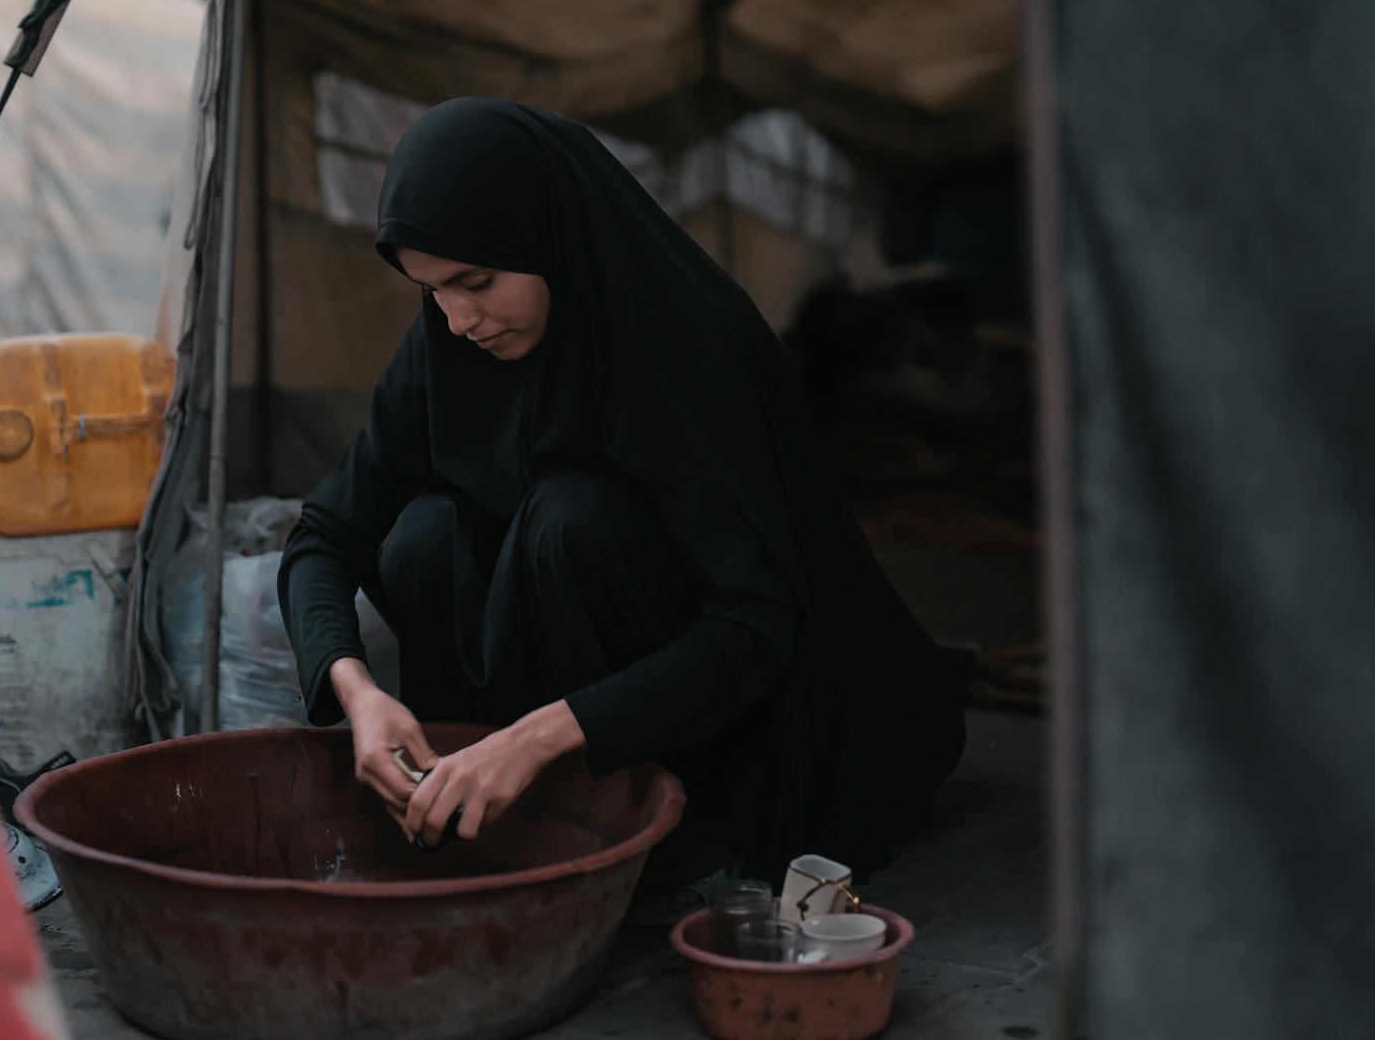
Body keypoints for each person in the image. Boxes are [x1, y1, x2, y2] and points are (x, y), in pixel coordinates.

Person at [278, 98, 969, 919]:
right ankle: (483, 805)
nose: (458, 320)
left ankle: (675, 831)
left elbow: (757, 622)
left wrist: (536, 736)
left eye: (476, 281)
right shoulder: (443, 346)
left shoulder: (685, 346)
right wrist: (357, 692)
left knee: (571, 519)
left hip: (713, 716)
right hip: (540, 697)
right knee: (423, 533)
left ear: (546, 238)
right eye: (430, 291)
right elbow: (323, 534)